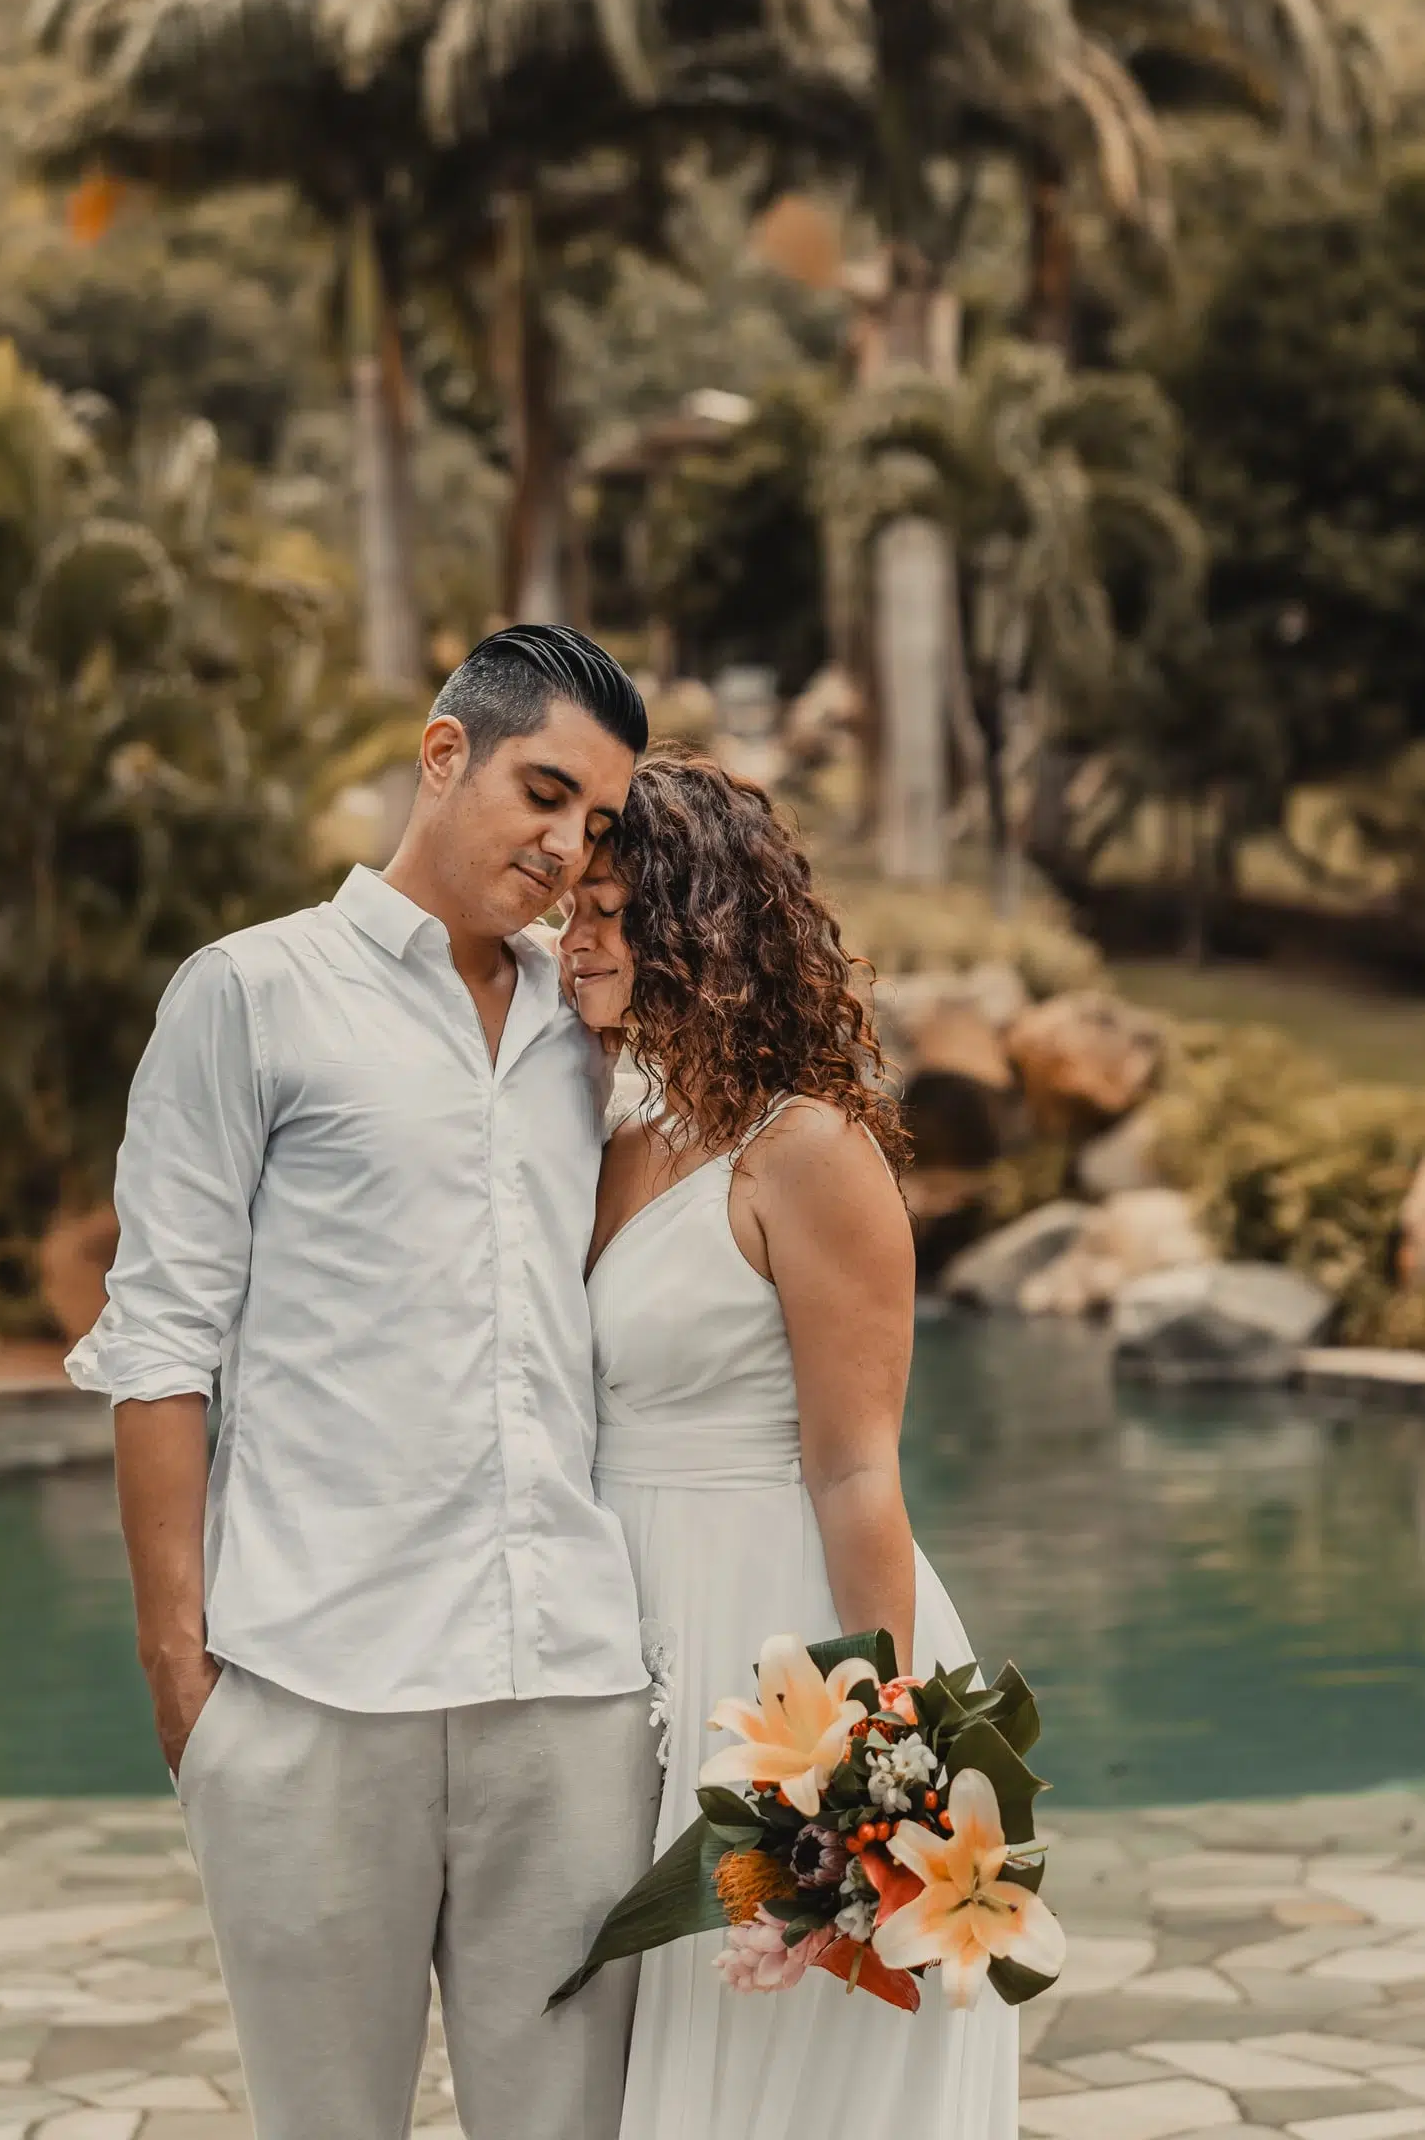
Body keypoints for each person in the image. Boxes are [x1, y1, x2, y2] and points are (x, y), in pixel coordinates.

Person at [66, 625, 663, 2140]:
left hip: (571, 1697)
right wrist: (182, 1680)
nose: (563, 846)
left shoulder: (591, 1032)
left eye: (595, 824)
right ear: (442, 751)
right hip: (317, 1698)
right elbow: (159, 1339)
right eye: (543, 791)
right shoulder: (250, 996)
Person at [559, 749, 1020, 2140]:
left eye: (604, 907)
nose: (569, 935)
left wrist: (884, 1763)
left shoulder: (804, 1151)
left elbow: (855, 1468)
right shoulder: (618, 1130)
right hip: (625, 1631)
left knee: (783, 2065)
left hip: (782, 1657)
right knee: (666, 2059)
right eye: (565, 906)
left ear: (694, 927)